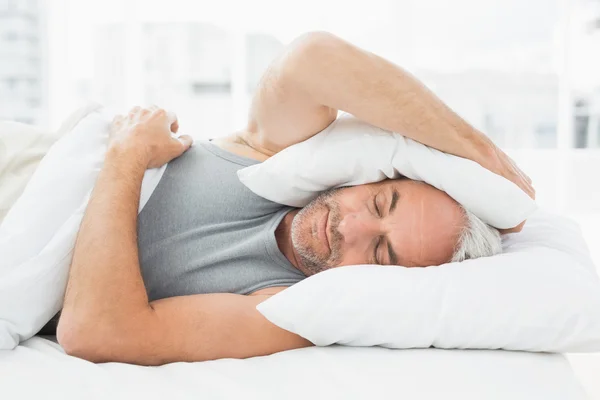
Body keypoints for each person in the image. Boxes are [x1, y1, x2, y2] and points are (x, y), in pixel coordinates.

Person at [52, 31, 534, 366]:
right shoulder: (268, 157)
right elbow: (312, 59)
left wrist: (126, 160)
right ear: (369, 179)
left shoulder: (280, 309)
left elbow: (94, 332)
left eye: (381, 253)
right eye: (380, 203)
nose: (353, 227)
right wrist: (485, 156)